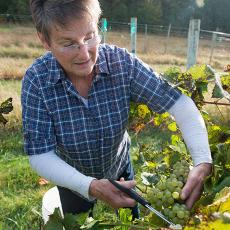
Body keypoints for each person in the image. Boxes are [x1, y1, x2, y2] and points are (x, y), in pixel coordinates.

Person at [21, 0, 212, 219]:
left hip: (119, 168)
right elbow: (40, 154)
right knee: (79, 223)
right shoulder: (37, 81)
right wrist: (90, 185)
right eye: (68, 43)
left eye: (89, 37)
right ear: (44, 40)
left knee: (133, 221)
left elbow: (180, 104)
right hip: (70, 177)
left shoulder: (122, 64)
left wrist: (202, 160)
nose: (84, 54)